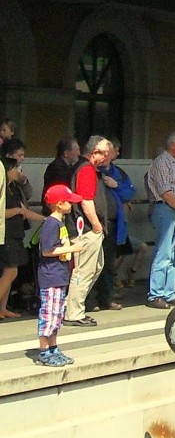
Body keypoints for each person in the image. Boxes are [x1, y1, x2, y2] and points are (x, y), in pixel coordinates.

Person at [35, 185, 87, 366]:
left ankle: (53, 347)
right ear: (59, 204)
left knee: (57, 315)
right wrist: (72, 248)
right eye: (69, 201)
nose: (72, 205)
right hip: (51, 277)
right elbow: (47, 251)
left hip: (59, 275)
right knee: (49, 314)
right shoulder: (51, 223)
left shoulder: (60, 223)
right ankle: (44, 351)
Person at [63, 136, 111, 327]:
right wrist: (97, 225)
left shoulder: (83, 168)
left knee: (94, 267)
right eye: (105, 154)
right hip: (86, 229)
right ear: (95, 153)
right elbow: (86, 200)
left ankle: (75, 307)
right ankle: (73, 312)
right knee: (84, 270)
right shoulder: (87, 169)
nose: (107, 158)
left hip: (85, 227)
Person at [145, 132, 175, 309]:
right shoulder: (162, 163)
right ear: (174, 145)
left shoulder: (174, 163)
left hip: (174, 209)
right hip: (165, 208)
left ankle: (169, 292)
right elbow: (166, 192)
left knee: (174, 253)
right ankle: (155, 294)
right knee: (164, 251)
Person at [91, 139, 134, 312]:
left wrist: (116, 185)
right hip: (95, 223)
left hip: (113, 224)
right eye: (104, 153)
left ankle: (106, 299)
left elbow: (130, 192)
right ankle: (90, 300)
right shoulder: (91, 171)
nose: (108, 156)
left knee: (108, 264)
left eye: (111, 152)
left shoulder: (119, 173)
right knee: (92, 264)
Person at [2, 140, 39, 319]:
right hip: (6, 230)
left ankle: (3, 307)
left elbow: (27, 198)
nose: (22, 160)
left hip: (17, 229)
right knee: (11, 270)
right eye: (19, 155)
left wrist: (23, 182)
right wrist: (18, 210)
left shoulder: (16, 184)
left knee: (9, 271)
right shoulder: (3, 179)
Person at [40, 137, 79, 211]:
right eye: (76, 150)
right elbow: (62, 188)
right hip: (55, 206)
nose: (78, 153)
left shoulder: (69, 166)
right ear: (66, 153)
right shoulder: (56, 167)